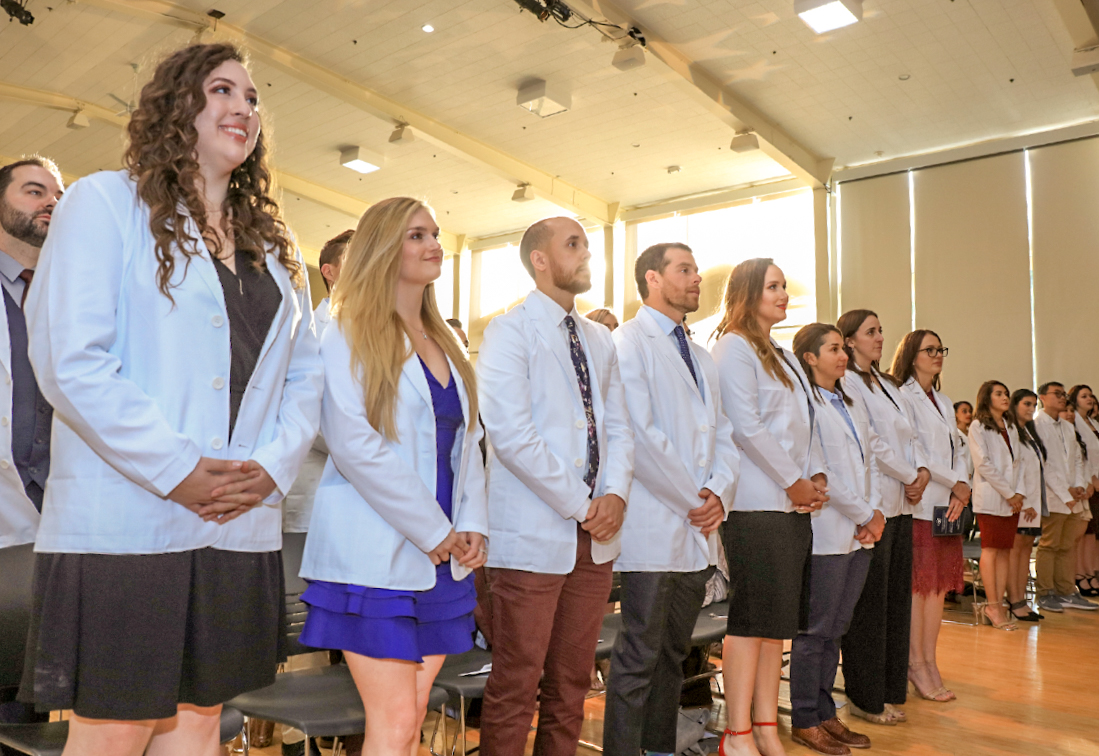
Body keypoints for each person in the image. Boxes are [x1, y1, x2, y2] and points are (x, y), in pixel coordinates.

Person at [19, 43, 324, 756]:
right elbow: (69, 358)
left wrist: (272, 468)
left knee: (200, 724)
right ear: (175, 105)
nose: (243, 108)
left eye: (251, 98)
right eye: (222, 90)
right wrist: (177, 467)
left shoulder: (276, 248)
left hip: (239, 516)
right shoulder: (104, 202)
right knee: (115, 730)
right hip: (130, 519)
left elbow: (306, 376)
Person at [297, 197, 488, 756]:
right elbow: (354, 446)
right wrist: (432, 529)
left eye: (434, 233)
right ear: (383, 246)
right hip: (376, 551)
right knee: (396, 719)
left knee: (410, 725)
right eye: (416, 235)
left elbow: (469, 441)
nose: (434, 245)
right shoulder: (345, 329)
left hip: (445, 555)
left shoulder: (444, 339)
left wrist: (471, 521)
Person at [476, 217, 634, 756]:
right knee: (516, 685)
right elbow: (512, 434)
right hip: (534, 533)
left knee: (572, 684)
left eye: (587, 244)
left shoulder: (598, 337)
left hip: (594, 538)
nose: (586, 253)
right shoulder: (507, 330)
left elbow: (618, 425)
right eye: (574, 245)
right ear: (539, 260)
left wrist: (614, 495)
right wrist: (584, 503)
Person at [605, 243, 739, 756]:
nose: (697, 278)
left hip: (697, 528)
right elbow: (639, 432)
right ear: (653, 279)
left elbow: (723, 433)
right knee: (638, 655)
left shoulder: (701, 355)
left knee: (673, 655)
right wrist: (695, 499)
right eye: (685, 270)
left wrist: (718, 496)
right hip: (653, 525)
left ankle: (659, 747)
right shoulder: (627, 343)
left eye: (696, 269)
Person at [710, 258, 828, 756]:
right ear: (746, 293)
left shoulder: (779, 350)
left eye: (784, 286)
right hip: (756, 503)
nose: (782, 294)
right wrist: (793, 480)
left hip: (790, 507)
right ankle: (736, 733)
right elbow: (745, 426)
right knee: (751, 621)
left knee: (775, 626)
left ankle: (764, 726)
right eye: (772, 286)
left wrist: (816, 474)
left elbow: (806, 418)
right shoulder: (733, 347)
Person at [789, 323, 882, 756]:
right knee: (815, 630)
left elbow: (872, 462)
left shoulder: (849, 399)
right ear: (809, 357)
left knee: (837, 629)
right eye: (832, 349)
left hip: (860, 529)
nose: (842, 356)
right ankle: (805, 717)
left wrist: (875, 512)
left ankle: (826, 712)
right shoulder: (806, 403)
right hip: (829, 529)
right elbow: (823, 470)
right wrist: (865, 513)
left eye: (843, 348)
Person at [0, 156, 64, 752]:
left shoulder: (66, 295)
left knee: (26, 695)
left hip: (51, 514)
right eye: (34, 189)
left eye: (58, 193)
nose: (51, 200)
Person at [837, 309, 926, 726]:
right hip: (875, 505)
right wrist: (912, 474)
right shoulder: (849, 380)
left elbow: (909, 435)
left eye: (880, 331)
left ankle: (890, 690)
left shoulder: (885, 383)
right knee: (870, 608)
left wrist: (920, 473)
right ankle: (865, 696)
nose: (880, 338)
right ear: (849, 340)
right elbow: (870, 440)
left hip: (903, 504)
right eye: (870, 332)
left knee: (895, 604)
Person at [892, 330, 968, 703]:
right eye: (930, 350)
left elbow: (960, 448)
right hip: (922, 505)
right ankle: (914, 663)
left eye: (941, 349)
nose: (938, 355)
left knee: (937, 591)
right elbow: (916, 450)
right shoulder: (902, 396)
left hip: (949, 506)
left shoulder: (944, 399)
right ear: (911, 355)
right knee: (920, 591)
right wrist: (955, 481)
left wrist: (963, 484)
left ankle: (929, 660)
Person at [1033, 383, 1097, 612]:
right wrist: (1065, 492)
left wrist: (1079, 485)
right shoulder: (1037, 424)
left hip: (1074, 494)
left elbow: (1078, 460)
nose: (1062, 398)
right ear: (1042, 397)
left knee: (1067, 545)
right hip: (1054, 496)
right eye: (1057, 394)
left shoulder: (1067, 427)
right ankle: (1045, 592)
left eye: (1063, 394)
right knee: (1049, 545)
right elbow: (1045, 464)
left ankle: (1066, 590)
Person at [968, 381, 1025, 630]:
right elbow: (984, 464)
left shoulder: (1011, 426)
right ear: (986, 398)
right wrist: (1009, 493)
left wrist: (1019, 493)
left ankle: (999, 604)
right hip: (992, 498)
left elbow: (1019, 462)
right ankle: (991, 605)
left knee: (1004, 551)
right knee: (991, 549)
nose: (1005, 398)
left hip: (1011, 500)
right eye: (999, 394)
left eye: (1006, 394)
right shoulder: (978, 426)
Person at [1007, 389, 1045, 621]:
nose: (1031, 409)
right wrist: (1026, 501)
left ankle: (1021, 599)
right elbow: (1015, 470)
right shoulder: (1011, 432)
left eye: (1034, 405)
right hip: (1021, 504)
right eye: (1026, 404)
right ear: (1014, 405)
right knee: (1016, 552)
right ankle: (1014, 601)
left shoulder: (1029, 434)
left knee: (1024, 553)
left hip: (1033, 504)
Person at [1068, 385, 1099, 596]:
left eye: (1091, 396)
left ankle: (1092, 571)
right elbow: (1082, 457)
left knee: (1094, 534)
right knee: (1083, 532)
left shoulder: (1094, 423)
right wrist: (1092, 480)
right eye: (1084, 396)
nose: (1089, 399)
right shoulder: (1074, 424)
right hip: (1089, 483)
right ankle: (1080, 574)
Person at [954, 401, 975, 482]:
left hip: (973, 481)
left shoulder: (973, 434)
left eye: (970, 411)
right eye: (964, 411)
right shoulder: (954, 434)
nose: (968, 414)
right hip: (959, 480)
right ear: (955, 414)